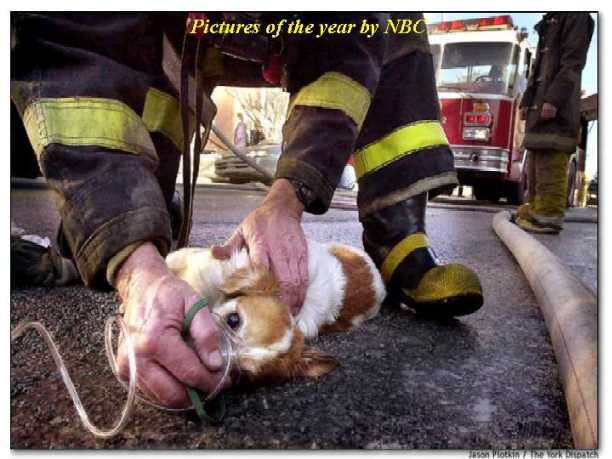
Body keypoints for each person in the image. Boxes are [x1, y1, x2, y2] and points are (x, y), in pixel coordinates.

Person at [11, 12, 483, 409]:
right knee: (111, 228)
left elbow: (347, 58)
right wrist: (134, 264)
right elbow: (68, 49)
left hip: (306, 28)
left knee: (394, 23)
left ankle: (399, 238)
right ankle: (129, 218)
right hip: (174, 26)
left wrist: (287, 200)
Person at [515, 13, 594, 234]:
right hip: (539, 106)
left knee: (551, 158)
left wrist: (553, 99)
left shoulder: (576, 17)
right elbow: (537, 69)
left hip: (556, 109)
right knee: (535, 161)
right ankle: (536, 210)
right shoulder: (551, 21)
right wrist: (527, 101)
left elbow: (572, 63)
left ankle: (548, 217)